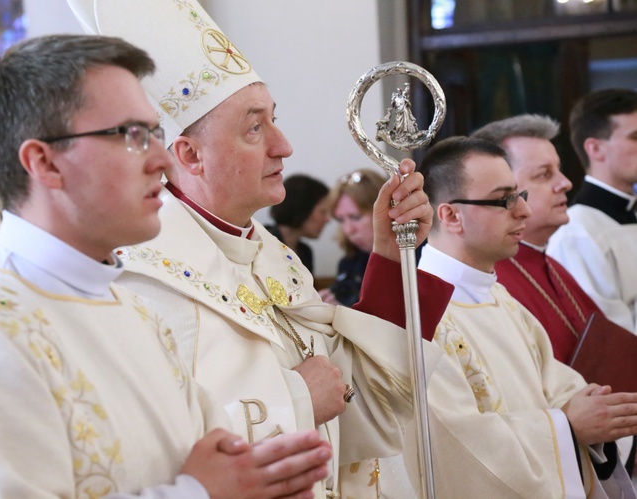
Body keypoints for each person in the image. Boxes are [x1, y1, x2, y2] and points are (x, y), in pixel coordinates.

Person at [0, 34, 335, 498]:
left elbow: (221, 462)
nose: (162, 160)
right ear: (44, 162)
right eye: (132, 136)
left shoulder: (136, 313)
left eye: (154, 133)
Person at [68, 0, 454, 496]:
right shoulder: (139, 279)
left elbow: (361, 408)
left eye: (274, 120)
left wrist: (387, 255)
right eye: (255, 128)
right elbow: (146, 449)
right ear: (189, 154)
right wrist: (295, 400)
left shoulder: (272, 256)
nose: (284, 145)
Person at [416, 135, 637, 497]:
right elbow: (455, 450)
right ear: (451, 215)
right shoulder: (423, 319)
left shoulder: (500, 299)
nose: (524, 211)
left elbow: (563, 387)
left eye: (521, 196)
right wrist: (566, 428)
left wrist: (598, 413)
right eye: (505, 199)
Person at [471, 114, 602, 363]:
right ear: (504, 188)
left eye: (559, 170)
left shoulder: (554, 267)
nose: (565, 183)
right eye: (544, 175)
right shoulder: (490, 281)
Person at [548, 89, 637, 334]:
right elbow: (609, 336)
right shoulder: (577, 231)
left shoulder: (630, 214)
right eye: (635, 137)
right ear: (595, 149)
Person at [319, 168, 387, 307]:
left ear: (384, 211)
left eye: (356, 217)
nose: (349, 230)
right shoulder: (348, 263)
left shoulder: (412, 257)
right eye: (341, 220)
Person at [266, 174, 330, 273]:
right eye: (322, 212)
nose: (327, 219)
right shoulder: (262, 244)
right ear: (303, 209)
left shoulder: (305, 251)